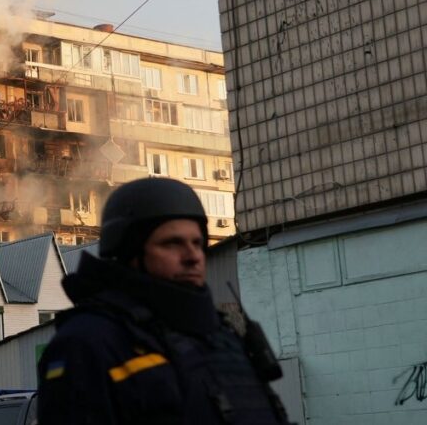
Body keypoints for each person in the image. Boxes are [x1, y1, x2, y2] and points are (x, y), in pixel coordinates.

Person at [37, 177, 290, 424]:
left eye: (198, 243)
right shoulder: (89, 341)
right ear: (130, 252)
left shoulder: (223, 335)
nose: (193, 257)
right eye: (172, 243)